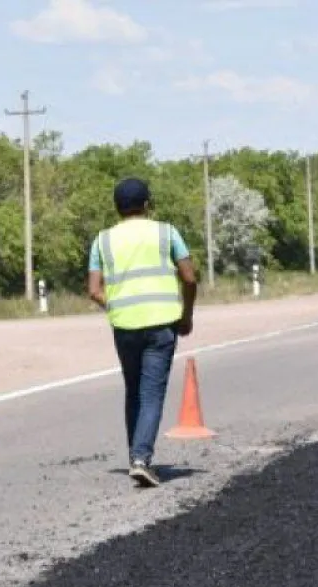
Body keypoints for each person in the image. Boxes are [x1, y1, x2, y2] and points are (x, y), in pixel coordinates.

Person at [87, 177, 198, 488]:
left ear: (116, 207)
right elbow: (189, 278)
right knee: (151, 393)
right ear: (148, 204)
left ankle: (135, 454)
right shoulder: (166, 232)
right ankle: (141, 459)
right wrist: (186, 315)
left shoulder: (102, 240)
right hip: (162, 323)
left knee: (133, 391)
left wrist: (117, 305)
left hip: (124, 325)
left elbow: (94, 290)